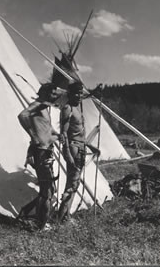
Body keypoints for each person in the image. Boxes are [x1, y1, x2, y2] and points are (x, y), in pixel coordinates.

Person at [17, 83, 61, 231]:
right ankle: (40, 224)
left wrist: (57, 136)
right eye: (53, 93)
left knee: (49, 188)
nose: (55, 96)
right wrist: (33, 135)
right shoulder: (37, 104)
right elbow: (22, 115)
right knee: (46, 189)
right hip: (40, 151)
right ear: (46, 93)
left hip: (47, 149)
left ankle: (26, 211)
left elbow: (46, 129)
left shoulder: (44, 107)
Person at [57, 82, 99, 222]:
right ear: (70, 94)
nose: (79, 96)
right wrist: (67, 152)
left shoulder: (77, 107)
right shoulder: (68, 108)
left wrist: (91, 147)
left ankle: (64, 215)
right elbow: (63, 135)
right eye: (76, 93)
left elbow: (79, 133)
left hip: (80, 147)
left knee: (74, 184)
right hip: (73, 148)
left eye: (81, 93)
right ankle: (62, 217)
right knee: (72, 183)